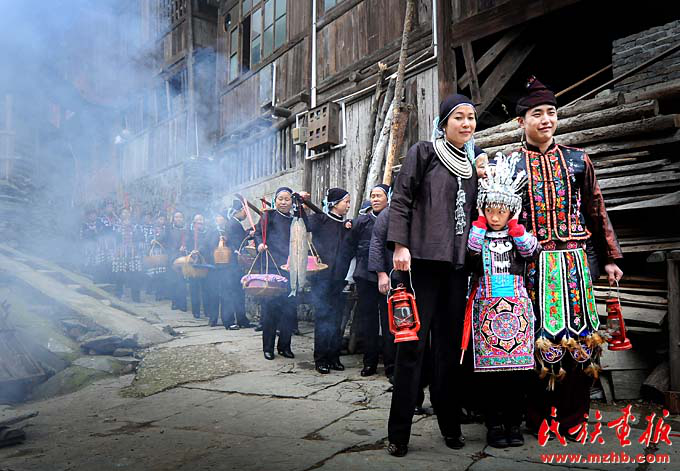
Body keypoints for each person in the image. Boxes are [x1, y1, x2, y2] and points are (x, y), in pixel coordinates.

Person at [512, 77, 623, 437]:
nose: (546, 119)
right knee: (536, 340)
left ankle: (574, 418)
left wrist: (609, 258)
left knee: (581, 341)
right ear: (521, 121)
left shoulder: (578, 160)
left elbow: (596, 209)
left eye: (551, 112)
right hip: (532, 267)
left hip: (574, 264)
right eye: (537, 114)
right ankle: (539, 417)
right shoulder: (510, 166)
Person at [385, 94, 484, 457]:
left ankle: (450, 425)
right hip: (421, 264)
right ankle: (399, 433)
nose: (466, 123)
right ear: (444, 124)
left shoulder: (471, 166)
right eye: (459, 117)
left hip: (456, 269)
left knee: (448, 351)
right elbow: (401, 198)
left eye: (471, 118)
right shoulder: (424, 152)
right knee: (411, 347)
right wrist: (400, 245)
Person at [466, 152, 541, 448]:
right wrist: (478, 224)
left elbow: (531, 252)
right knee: (490, 373)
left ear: (512, 211)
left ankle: (513, 423)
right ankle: (494, 424)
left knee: (517, 372)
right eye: (490, 211)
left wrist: (517, 229)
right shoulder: (478, 237)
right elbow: (470, 254)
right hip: (486, 310)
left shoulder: (518, 236)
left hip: (517, 310)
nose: (496, 217)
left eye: (502, 211)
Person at [306, 188, 353, 375]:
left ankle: (334, 357)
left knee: (336, 319)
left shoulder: (347, 226)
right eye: (345, 202)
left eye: (348, 202)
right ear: (334, 203)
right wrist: (300, 204)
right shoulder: (320, 220)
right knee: (323, 318)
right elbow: (302, 223)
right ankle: (321, 359)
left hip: (339, 279)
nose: (348, 205)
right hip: (321, 279)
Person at [345, 184, 390, 377]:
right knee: (368, 321)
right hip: (365, 276)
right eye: (373, 196)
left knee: (389, 322)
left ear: (388, 198)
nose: (375, 199)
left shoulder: (393, 219)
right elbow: (350, 245)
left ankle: (391, 365)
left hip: (388, 276)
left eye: (379, 196)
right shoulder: (361, 222)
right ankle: (369, 363)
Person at [254, 187, 297, 360]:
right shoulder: (268, 216)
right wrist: (260, 244)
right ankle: (268, 348)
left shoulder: (295, 220)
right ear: (275, 201)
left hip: (290, 268)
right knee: (270, 310)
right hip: (272, 268)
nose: (283, 202)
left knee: (289, 310)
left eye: (287, 199)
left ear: (292, 202)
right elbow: (258, 233)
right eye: (280, 199)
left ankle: (285, 347)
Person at [188, 214, 216, 321]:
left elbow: (208, 245)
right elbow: (187, 245)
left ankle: (207, 310)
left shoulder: (208, 232)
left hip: (205, 262)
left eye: (201, 220)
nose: (199, 222)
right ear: (194, 222)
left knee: (206, 288)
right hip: (193, 263)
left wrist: (200, 250)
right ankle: (196, 311)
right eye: (197, 220)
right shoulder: (190, 233)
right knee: (194, 288)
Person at [112, 207, 144, 302]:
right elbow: (115, 239)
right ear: (120, 215)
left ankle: (136, 297)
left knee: (135, 275)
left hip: (133, 252)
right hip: (120, 252)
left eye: (128, 213)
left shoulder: (136, 226)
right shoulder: (116, 226)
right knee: (120, 274)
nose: (126, 214)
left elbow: (140, 238)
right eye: (124, 213)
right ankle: (118, 294)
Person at [167, 211, 188, 312]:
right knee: (174, 282)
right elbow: (167, 243)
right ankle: (174, 303)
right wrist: (176, 250)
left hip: (185, 258)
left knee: (182, 282)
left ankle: (183, 304)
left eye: (180, 217)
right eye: (176, 217)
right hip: (173, 257)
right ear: (173, 219)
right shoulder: (169, 230)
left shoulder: (187, 230)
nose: (178, 219)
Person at [79, 208, 100, 277]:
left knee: (95, 256)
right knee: (87, 255)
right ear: (88, 216)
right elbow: (82, 235)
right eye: (91, 215)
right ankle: (85, 268)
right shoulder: (84, 224)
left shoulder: (98, 223)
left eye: (94, 215)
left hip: (96, 243)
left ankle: (94, 269)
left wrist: (96, 232)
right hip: (87, 243)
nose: (93, 216)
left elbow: (101, 233)